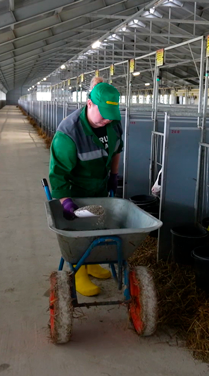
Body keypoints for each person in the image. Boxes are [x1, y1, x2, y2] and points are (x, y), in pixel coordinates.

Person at [48, 77, 123, 297]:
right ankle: (78, 270)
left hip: (99, 187)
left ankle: (92, 264)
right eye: (103, 117)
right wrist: (66, 202)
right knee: (79, 232)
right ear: (89, 103)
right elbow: (58, 175)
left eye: (111, 118)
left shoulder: (113, 122)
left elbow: (118, 149)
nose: (107, 122)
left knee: (98, 225)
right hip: (76, 191)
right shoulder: (69, 133)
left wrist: (114, 175)